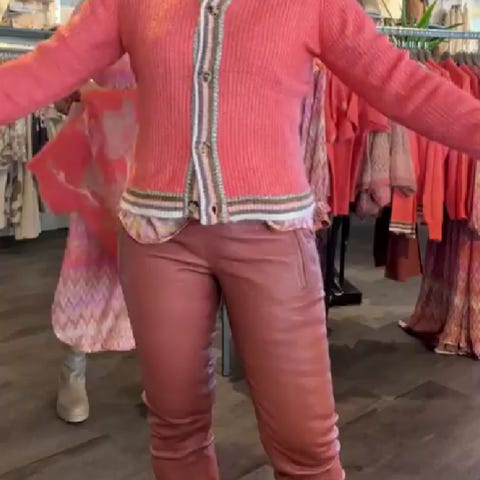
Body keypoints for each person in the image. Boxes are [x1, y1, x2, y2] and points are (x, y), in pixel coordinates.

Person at [2, 1, 480, 479]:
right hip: (158, 236)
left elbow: (402, 82)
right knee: (175, 429)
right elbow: (46, 68)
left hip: (272, 235)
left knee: (306, 445)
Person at [27, 2, 137, 423]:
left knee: (160, 275)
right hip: (102, 167)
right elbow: (60, 84)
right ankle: (73, 368)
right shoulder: (99, 11)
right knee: (89, 265)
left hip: (161, 164)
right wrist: (80, 89)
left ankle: (164, 372)